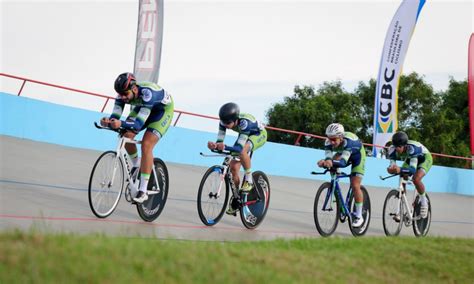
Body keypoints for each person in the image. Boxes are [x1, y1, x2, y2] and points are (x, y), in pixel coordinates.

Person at [100, 72, 174, 203]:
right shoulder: (121, 95)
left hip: (161, 112)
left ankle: (143, 190)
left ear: (134, 89)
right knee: (126, 134)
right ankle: (137, 163)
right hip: (143, 107)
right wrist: (108, 121)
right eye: (120, 95)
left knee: (146, 144)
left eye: (125, 94)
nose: (123, 98)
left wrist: (120, 123)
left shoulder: (148, 94)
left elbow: (138, 123)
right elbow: (115, 116)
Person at [207, 102, 267, 215]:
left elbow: (239, 148)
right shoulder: (224, 121)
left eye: (228, 123)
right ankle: (237, 198)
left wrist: (225, 146)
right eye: (224, 122)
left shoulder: (244, 123)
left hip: (258, 135)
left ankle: (249, 179)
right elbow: (220, 139)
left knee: (243, 150)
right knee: (233, 167)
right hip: (244, 135)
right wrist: (215, 145)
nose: (225, 125)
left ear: (235, 120)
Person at [317, 123, 366, 227]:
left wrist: (331, 162)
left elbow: (343, 163)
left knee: (355, 185)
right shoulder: (328, 142)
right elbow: (329, 158)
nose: (331, 142)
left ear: (341, 137)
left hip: (357, 156)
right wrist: (325, 162)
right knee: (331, 166)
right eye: (329, 138)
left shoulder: (348, 142)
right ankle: (336, 189)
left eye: (334, 139)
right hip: (342, 153)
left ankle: (359, 216)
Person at [386, 131, 432, 218]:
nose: (397, 149)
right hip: (410, 158)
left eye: (399, 147)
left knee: (416, 179)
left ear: (405, 145)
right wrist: (391, 169)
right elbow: (392, 165)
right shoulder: (392, 149)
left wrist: (399, 169)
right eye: (396, 146)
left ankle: (424, 202)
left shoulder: (412, 148)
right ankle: (401, 207)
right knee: (402, 176)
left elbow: (412, 170)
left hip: (424, 159)